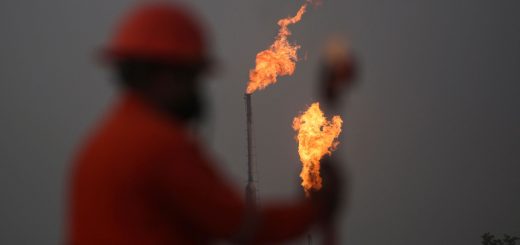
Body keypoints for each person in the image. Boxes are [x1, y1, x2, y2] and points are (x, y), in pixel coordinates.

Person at [68, 2, 340, 244]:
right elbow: (241, 224)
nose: (196, 90)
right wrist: (315, 209)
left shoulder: (94, 149)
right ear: (165, 75)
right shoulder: (161, 148)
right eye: (191, 77)